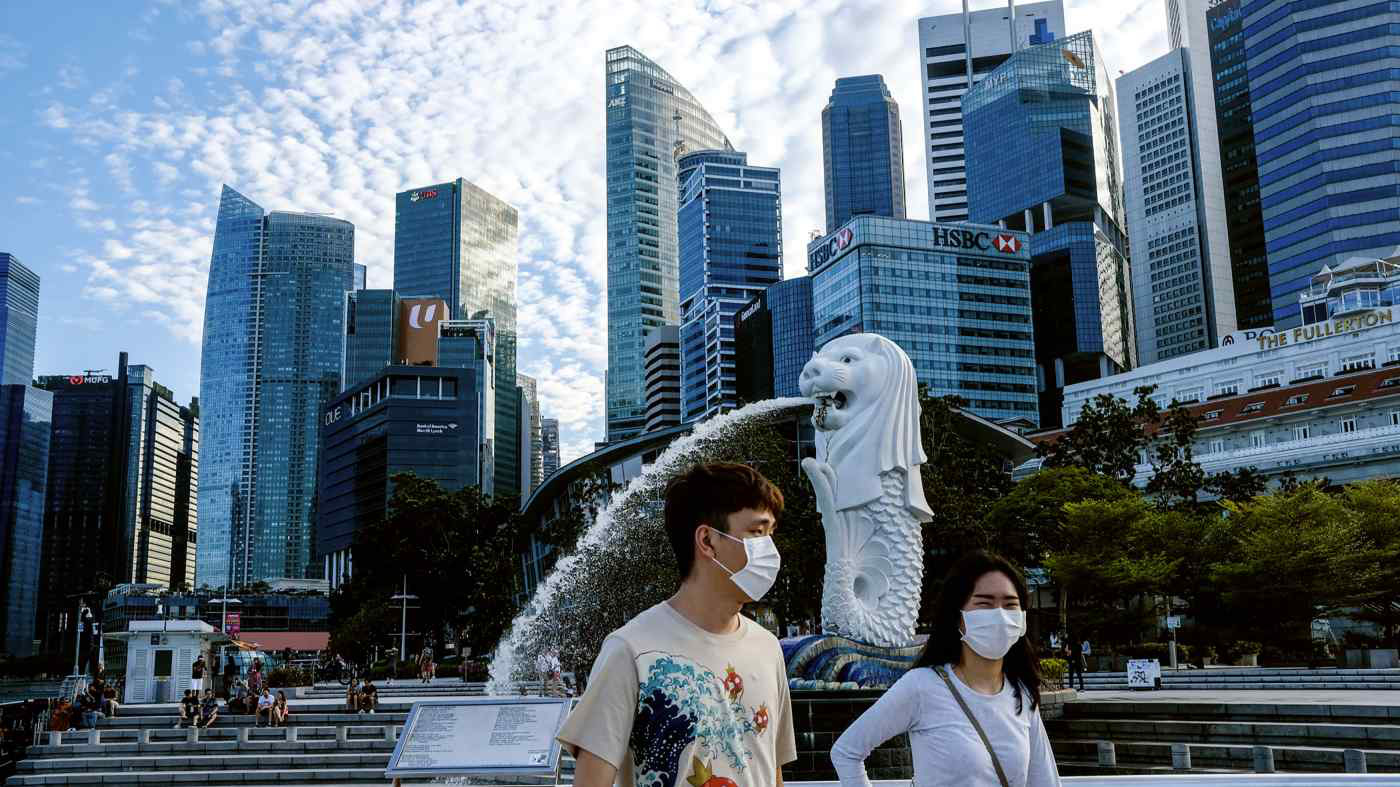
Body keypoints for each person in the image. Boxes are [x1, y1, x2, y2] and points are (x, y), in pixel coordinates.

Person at [558, 463, 795, 787]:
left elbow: (771, 773)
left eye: (771, 533)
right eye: (757, 532)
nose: (770, 550)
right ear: (707, 540)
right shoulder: (631, 651)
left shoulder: (768, 649)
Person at [830, 551, 1060, 787]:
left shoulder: (1021, 694)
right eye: (984, 603)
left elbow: (1044, 780)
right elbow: (846, 752)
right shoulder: (922, 686)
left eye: (1010, 604)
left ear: (1021, 618)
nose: (1000, 615)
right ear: (957, 616)